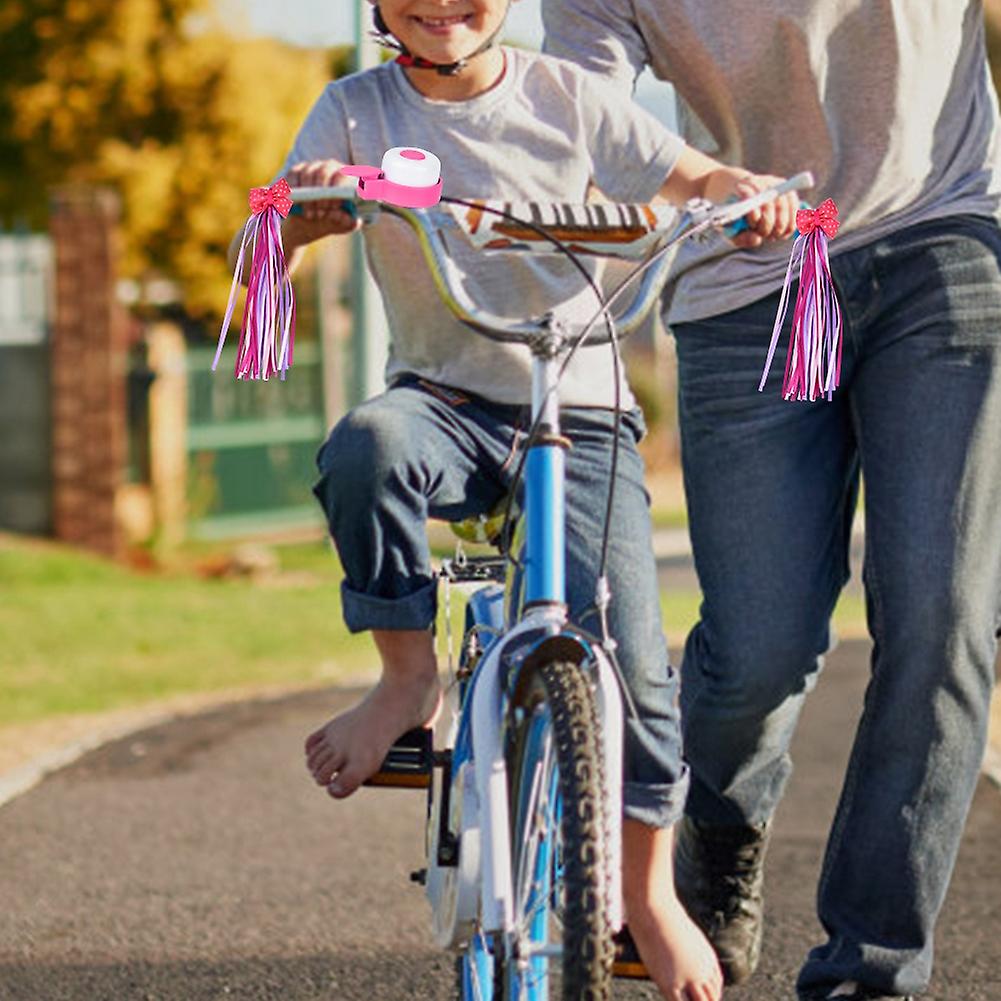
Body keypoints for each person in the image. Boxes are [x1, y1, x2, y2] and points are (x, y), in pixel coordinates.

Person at [226, 1, 798, 996]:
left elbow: (688, 178)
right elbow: (273, 230)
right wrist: (306, 208)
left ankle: (649, 894)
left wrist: (735, 189)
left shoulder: (567, 98)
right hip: (440, 400)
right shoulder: (353, 109)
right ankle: (407, 676)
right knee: (367, 446)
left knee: (633, 660)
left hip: (576, 407)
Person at [541, 3, 1001, 1001]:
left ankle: (868, 964)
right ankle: (720, 819)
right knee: (758, 647)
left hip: (941, 240)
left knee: (944, 617)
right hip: (742, 274)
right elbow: (582, 116)